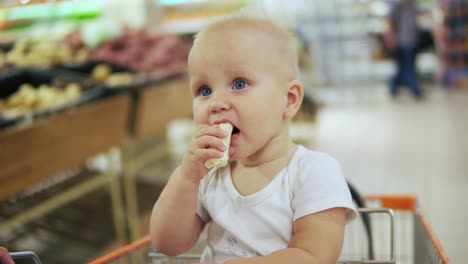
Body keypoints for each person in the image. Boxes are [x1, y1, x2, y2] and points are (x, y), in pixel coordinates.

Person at [149, 16, 357, 264]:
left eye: (239, 84)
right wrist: (186, 177)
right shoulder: (210, 177)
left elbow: (314, 256)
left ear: (288, 100)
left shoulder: (313, 172)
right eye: (204, 90)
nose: (216, 103)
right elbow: (169, 244)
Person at [386, 0, 424, 99]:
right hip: (401, 42)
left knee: (403, 67)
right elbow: (390, 24)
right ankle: (415, 90)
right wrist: (391, 39)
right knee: (408, 67)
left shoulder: (414, 6)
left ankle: (393, 88)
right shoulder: (397, 7)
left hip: (413, 41)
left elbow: (417, 21)